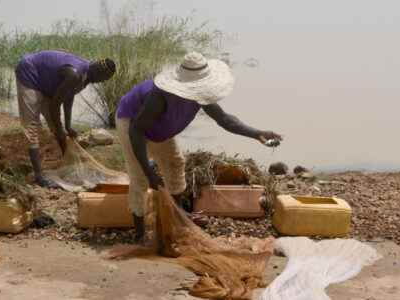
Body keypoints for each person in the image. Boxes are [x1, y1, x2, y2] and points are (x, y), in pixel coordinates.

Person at [115, 51, 283, 243]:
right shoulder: (159, 97)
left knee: (176, 163)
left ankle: (178, 219)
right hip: (132, 124)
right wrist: (148, 171)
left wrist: (257, 133)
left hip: (159, 129)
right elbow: (137, 131)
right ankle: (139, 234)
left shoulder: (200, 96)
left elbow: (225, 120)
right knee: (140, 178)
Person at [15, 50, 116, 188]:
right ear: (98, 72)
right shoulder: (75, 74)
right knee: (31, 127)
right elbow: (55, 105)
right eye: (103, 79)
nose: (101, 82)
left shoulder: (86, 76)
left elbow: (69, 96)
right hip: (29, 73)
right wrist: (60, 127)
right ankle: (39, 176)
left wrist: (67, 126)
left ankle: (68, 162)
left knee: (57, 127)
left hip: (45, 83)